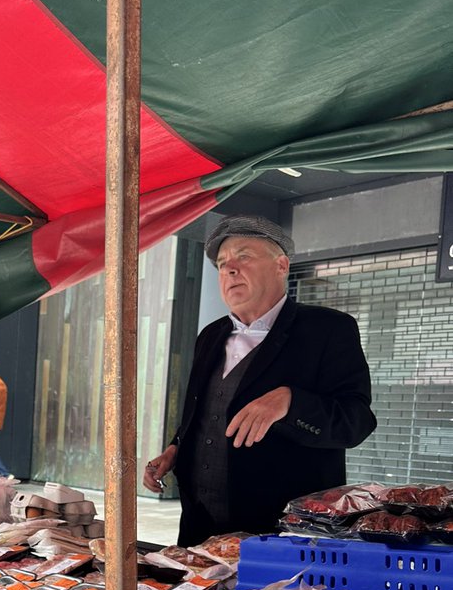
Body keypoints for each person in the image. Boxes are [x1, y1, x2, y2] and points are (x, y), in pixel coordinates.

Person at [143, 214, 376, 546]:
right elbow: (205, 411)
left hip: (282, 535)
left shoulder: (328, 330)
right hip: (199, 530)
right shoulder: (210, 335)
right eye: (222, 264)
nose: (229, 269)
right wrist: (176, 448)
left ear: (281, 265)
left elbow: (356, 422)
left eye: (244, 256)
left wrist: (290, 402)